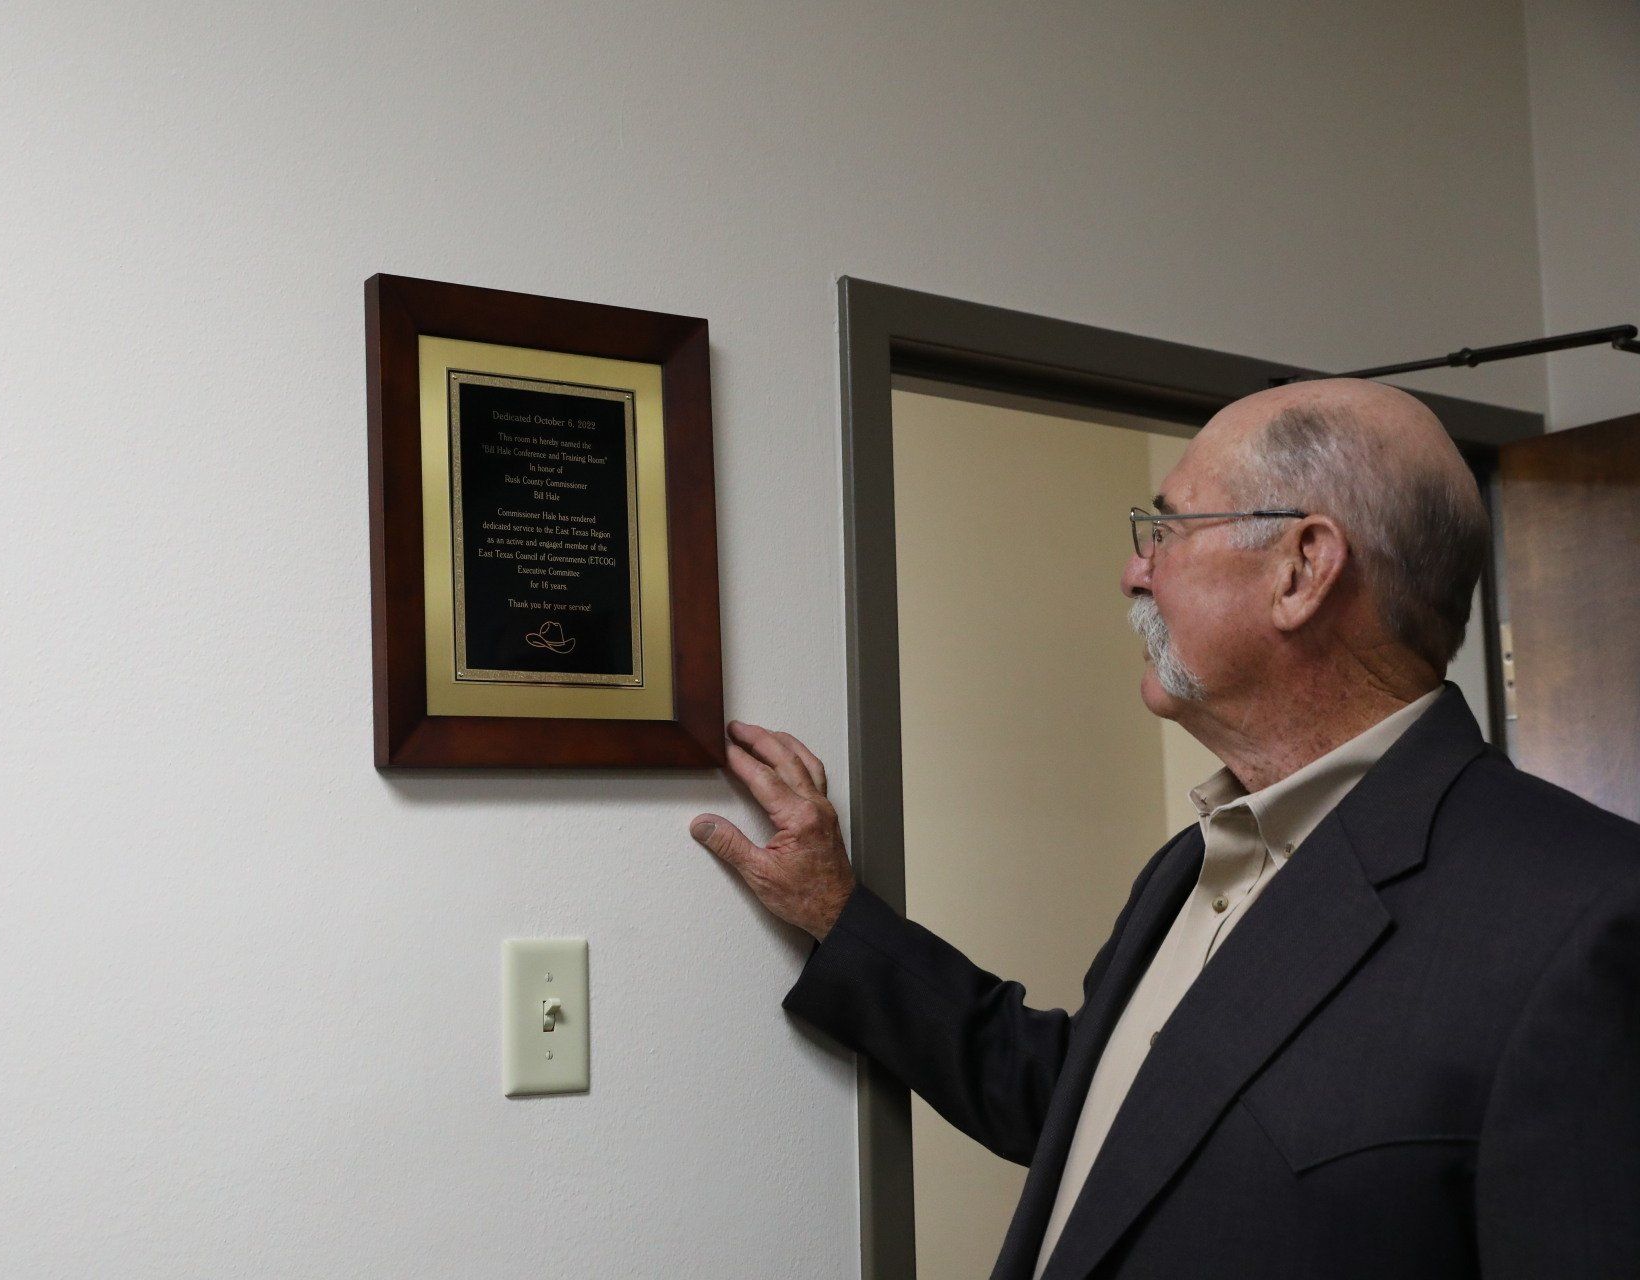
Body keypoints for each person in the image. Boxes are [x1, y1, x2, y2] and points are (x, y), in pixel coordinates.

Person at [689, 379, 1640, 1279]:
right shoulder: (1194, 862)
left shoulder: (1587, 916)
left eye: (1166, 528)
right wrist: (836, 910)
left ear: (1302, 569)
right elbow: (1094, 1111)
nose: (1132, 572)